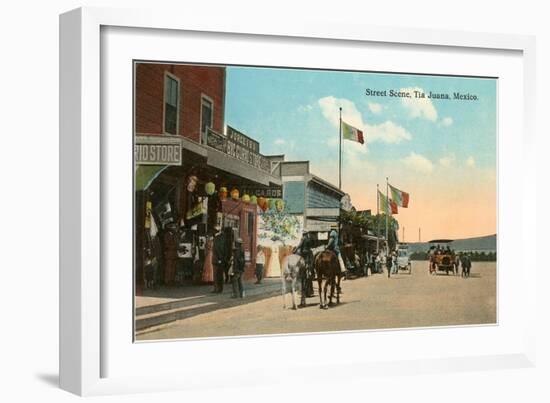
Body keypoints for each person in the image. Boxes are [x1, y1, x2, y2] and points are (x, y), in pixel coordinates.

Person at [211, 225, 227, 293]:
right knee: (218, 274)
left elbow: (219, 248)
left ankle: (218, 288)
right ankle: (218, 288)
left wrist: (220, 258)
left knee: (217, 274)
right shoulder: (220, 237)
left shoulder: (218, 238)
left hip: (218, 259)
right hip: (218, 258)